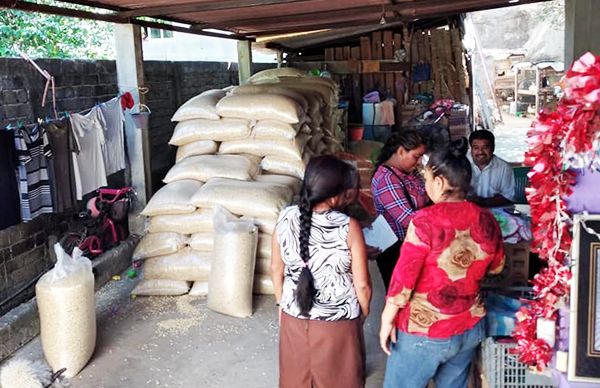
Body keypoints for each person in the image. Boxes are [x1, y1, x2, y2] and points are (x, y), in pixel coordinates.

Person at [379, 139, 505, 388]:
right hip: (469, 326)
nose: (426, 186)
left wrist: (386, 320)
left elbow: (403, 280)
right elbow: (497, 267)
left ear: (438, 182)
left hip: (425, 331)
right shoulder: (486, 219)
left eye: (426, 180)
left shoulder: (424, 220)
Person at [271, 155, 372, 388]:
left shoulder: (285, 217)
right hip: (337, 324)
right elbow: (363, 286)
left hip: (293, 317)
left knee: (296, 380)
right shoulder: (348, 227)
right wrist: (360, 315)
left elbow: (277, 269)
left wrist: (281, 305)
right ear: (337, 194)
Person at [371, 130, 429, 290]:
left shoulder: (410, 173)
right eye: (416, 156)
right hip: (396, 251)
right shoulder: (387, 180)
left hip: (412, 245)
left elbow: (425, 195)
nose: (418, 162)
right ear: (401, 151)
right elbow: (409, 220)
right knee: (400, 300)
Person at [467, 129, 515, 207]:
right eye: (476, 148)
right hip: (468, 212)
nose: (480, 152)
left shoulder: (504, 168)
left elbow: (508, 197)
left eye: (485, 147)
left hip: (494, 212)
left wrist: (480, 202)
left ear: (493, 148)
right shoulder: (461, 164)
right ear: (471, 149)